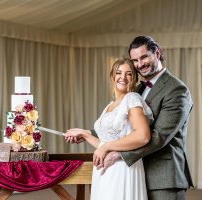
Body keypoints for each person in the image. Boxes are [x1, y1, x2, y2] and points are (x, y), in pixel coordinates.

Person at [67, 36, 193, 200]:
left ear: (157, 53)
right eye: (135, 60)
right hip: (135, 172)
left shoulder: (176, 89)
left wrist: (118, 154)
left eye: (144, 57)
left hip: (163, 178)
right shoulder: (138, 88)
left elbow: (159, 136)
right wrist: (86, 133)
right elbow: (122, 126)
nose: (140, 64)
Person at [65, 58, 154, 200]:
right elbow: (104, 144)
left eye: (129, 74)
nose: (123, 77)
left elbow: (143, 136)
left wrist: (105, 147)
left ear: (135, 78)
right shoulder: (111, 104)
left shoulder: (132, 98)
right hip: (105, 169)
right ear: (112, 76)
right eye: (119, 73)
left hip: (123, 168)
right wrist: (84, 134)